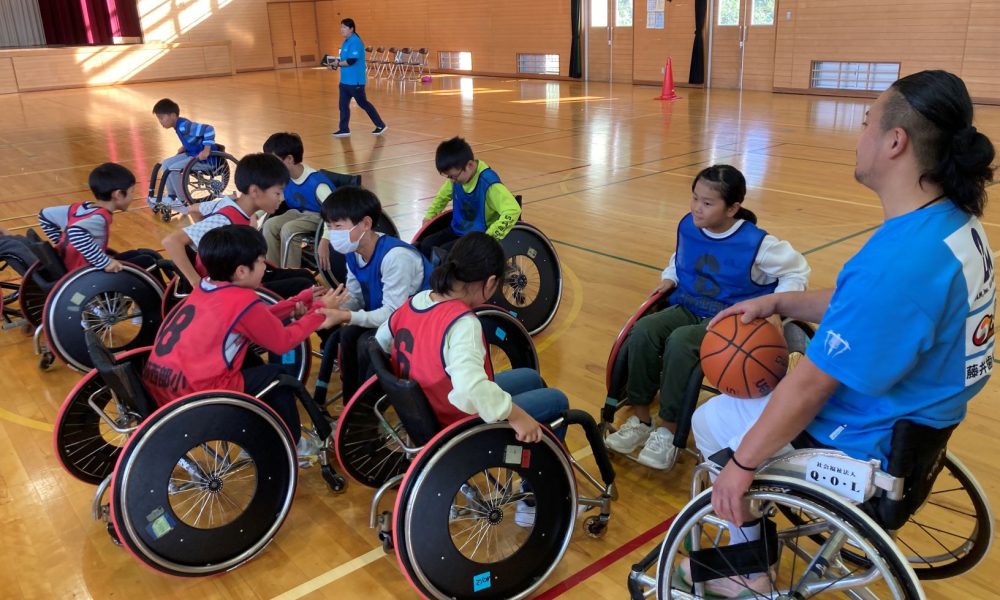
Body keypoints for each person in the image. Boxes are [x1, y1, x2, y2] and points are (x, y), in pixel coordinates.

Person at [686, 70, 995, 597]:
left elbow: (808, 387)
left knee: (713, 418)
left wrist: (741, 466)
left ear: (895, 142)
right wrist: (779, 299)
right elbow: (864, 307)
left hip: (865, 441)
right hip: (920, 427)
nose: (860, 135)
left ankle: (749, 572)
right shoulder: (951, 224)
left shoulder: (899, 260)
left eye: (865, 122)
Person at [604, 165, 810, 470]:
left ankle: (670, 429)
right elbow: (680, 257)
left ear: (733, 208)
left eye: (707, 203)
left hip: (729, 319)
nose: (696, 208)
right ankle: (641, 418)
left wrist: (775, 306)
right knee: (644, 329)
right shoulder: (689, 225)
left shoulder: (758, 244)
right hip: (688, 304)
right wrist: (670, 277)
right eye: (694, 198)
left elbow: (797, 270)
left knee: (680, 342)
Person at [375, 232, 570, 526]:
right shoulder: (462, 323)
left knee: (530, 378)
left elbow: (380, 341)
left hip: (424, 409)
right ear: (490, 283)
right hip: (456, 421)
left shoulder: (416, 301)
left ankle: (531, 463)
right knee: (557, 401)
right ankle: (531, 502)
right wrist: (517, 416)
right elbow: (470, 390)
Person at [143, 225, 343, 450]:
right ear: (241, 271)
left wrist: (299, 301)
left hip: (165, 384)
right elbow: (283, 341)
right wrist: (318, 312)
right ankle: (294, 446)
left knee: (252, 363)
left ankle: (257, 434)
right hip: (197, 393)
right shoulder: (242, 300)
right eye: (260, 261)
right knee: (278, 377)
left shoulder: (206, 287)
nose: (264, 266)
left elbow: (256, 320)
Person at [312, 186, 431, 405]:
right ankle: (352, 409)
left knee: (367, 344)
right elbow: (356, 299)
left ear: (366, 224)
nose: (333, 233)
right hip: (387, 317)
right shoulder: (354, 252)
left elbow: (392, 314)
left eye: (338, 226)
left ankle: (367, 418)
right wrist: (329, 305)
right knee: (347, 336)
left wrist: (345, 316)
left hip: (417, 323)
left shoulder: (396, 257)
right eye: (329, 227)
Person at [161, 153, 315, 299]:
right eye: (278, 193)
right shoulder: (224, 220)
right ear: (254, 191)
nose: (282, 198)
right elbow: (171, 241)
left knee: (306, 276)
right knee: (305, 286)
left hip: (246, 275)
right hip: (230, 288)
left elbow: (194, 209)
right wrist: (196, 283)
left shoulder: (236, 207)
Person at [37, 162, 165, 281]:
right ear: (118, 195)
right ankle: (164, 301)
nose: (133, 196)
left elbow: (44, 216)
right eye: (132, 192)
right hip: (84, 273)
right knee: (148, 261)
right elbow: (76, 233)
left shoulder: (80, 209)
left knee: (148, 254)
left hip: (73, 264)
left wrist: (62, 244)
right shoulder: (99, 218)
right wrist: (104, 262)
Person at [418, 137, 522, 260]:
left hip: (478, 236)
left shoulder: (489, 184)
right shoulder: (456, 179)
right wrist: (429, 216)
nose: (452, 180)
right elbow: (442, 197)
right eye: (448, 177)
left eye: (454, 176)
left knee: (444, 256)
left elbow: (513, 210)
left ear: (470, 165)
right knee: (425, 245)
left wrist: (489, 237)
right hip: (458, 230)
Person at [262, 132, 335, 268]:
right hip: (298, 214)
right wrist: (254, 214)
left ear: (289, 159)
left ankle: (291, 275)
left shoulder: (317, 183)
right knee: (269, 225)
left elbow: (335, 214)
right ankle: (273, 271)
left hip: (321, 219)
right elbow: (273, 199)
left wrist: (325, 240)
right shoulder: (285, 178)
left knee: (289, 229)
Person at [149, 98, 217, 211]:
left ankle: (183, 202)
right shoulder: (178, 125)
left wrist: (206, 150)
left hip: (206, 160)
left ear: (173, 115)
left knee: (173, 169)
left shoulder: (184, 126)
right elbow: (195, 138)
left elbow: (209, 129)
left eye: (161, 118)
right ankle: (171, 197)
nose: (160, 122)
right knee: (166, 164)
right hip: (192, 153)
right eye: (159, 119)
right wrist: (186, 146)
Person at [329, 18, 386, 138]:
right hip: (345, 81)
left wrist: (338, 64)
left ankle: (380, 125)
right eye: (341, 27)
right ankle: (344, 129)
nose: (341, 30)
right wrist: (335, 64)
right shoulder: (346, 42)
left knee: (363, 103)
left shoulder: (355, 42)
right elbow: (344, 59)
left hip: (355, 82)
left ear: (351, 29)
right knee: (343, 105)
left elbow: (351, 60)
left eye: (344, 27)